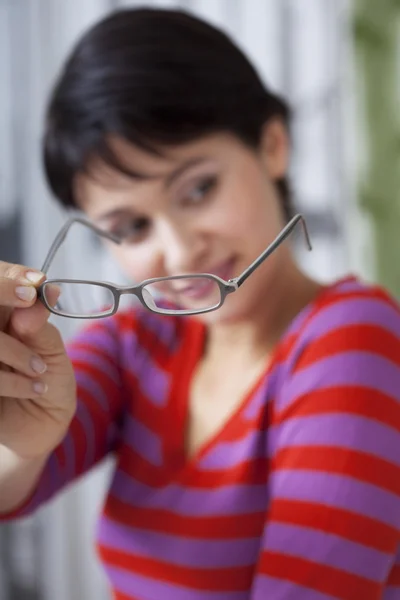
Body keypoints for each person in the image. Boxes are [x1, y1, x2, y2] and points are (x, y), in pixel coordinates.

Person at [1, 7, 400, 600]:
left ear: (272, 145)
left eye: (198, 188)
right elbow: (12, 487)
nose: (181, 249)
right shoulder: (133, 345)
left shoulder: (354, 340)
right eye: (132, 226)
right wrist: (17, 437)